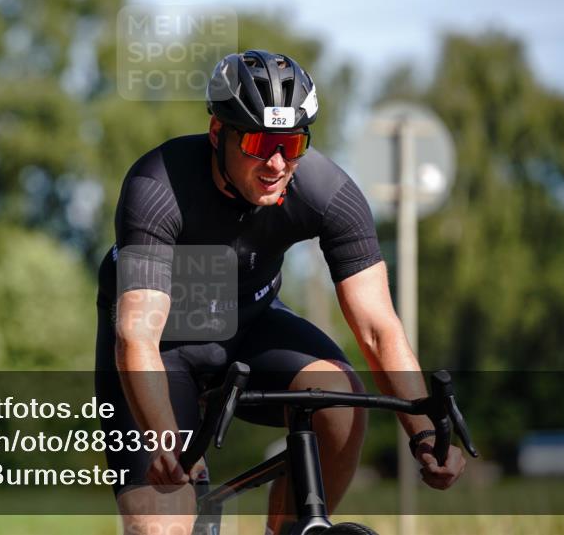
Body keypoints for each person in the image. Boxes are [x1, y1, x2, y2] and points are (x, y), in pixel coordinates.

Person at [94, 50, 466, 535]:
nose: (276, 163)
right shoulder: (157, 185)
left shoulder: (328, 192)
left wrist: (425, 433)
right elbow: (136, 338)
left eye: (291, 145)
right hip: (160, 348)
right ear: (217, 133)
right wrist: (165, 440)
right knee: (162, 525)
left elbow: (378, 330)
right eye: (258, 143)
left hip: (251, 325)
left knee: (340, 395)